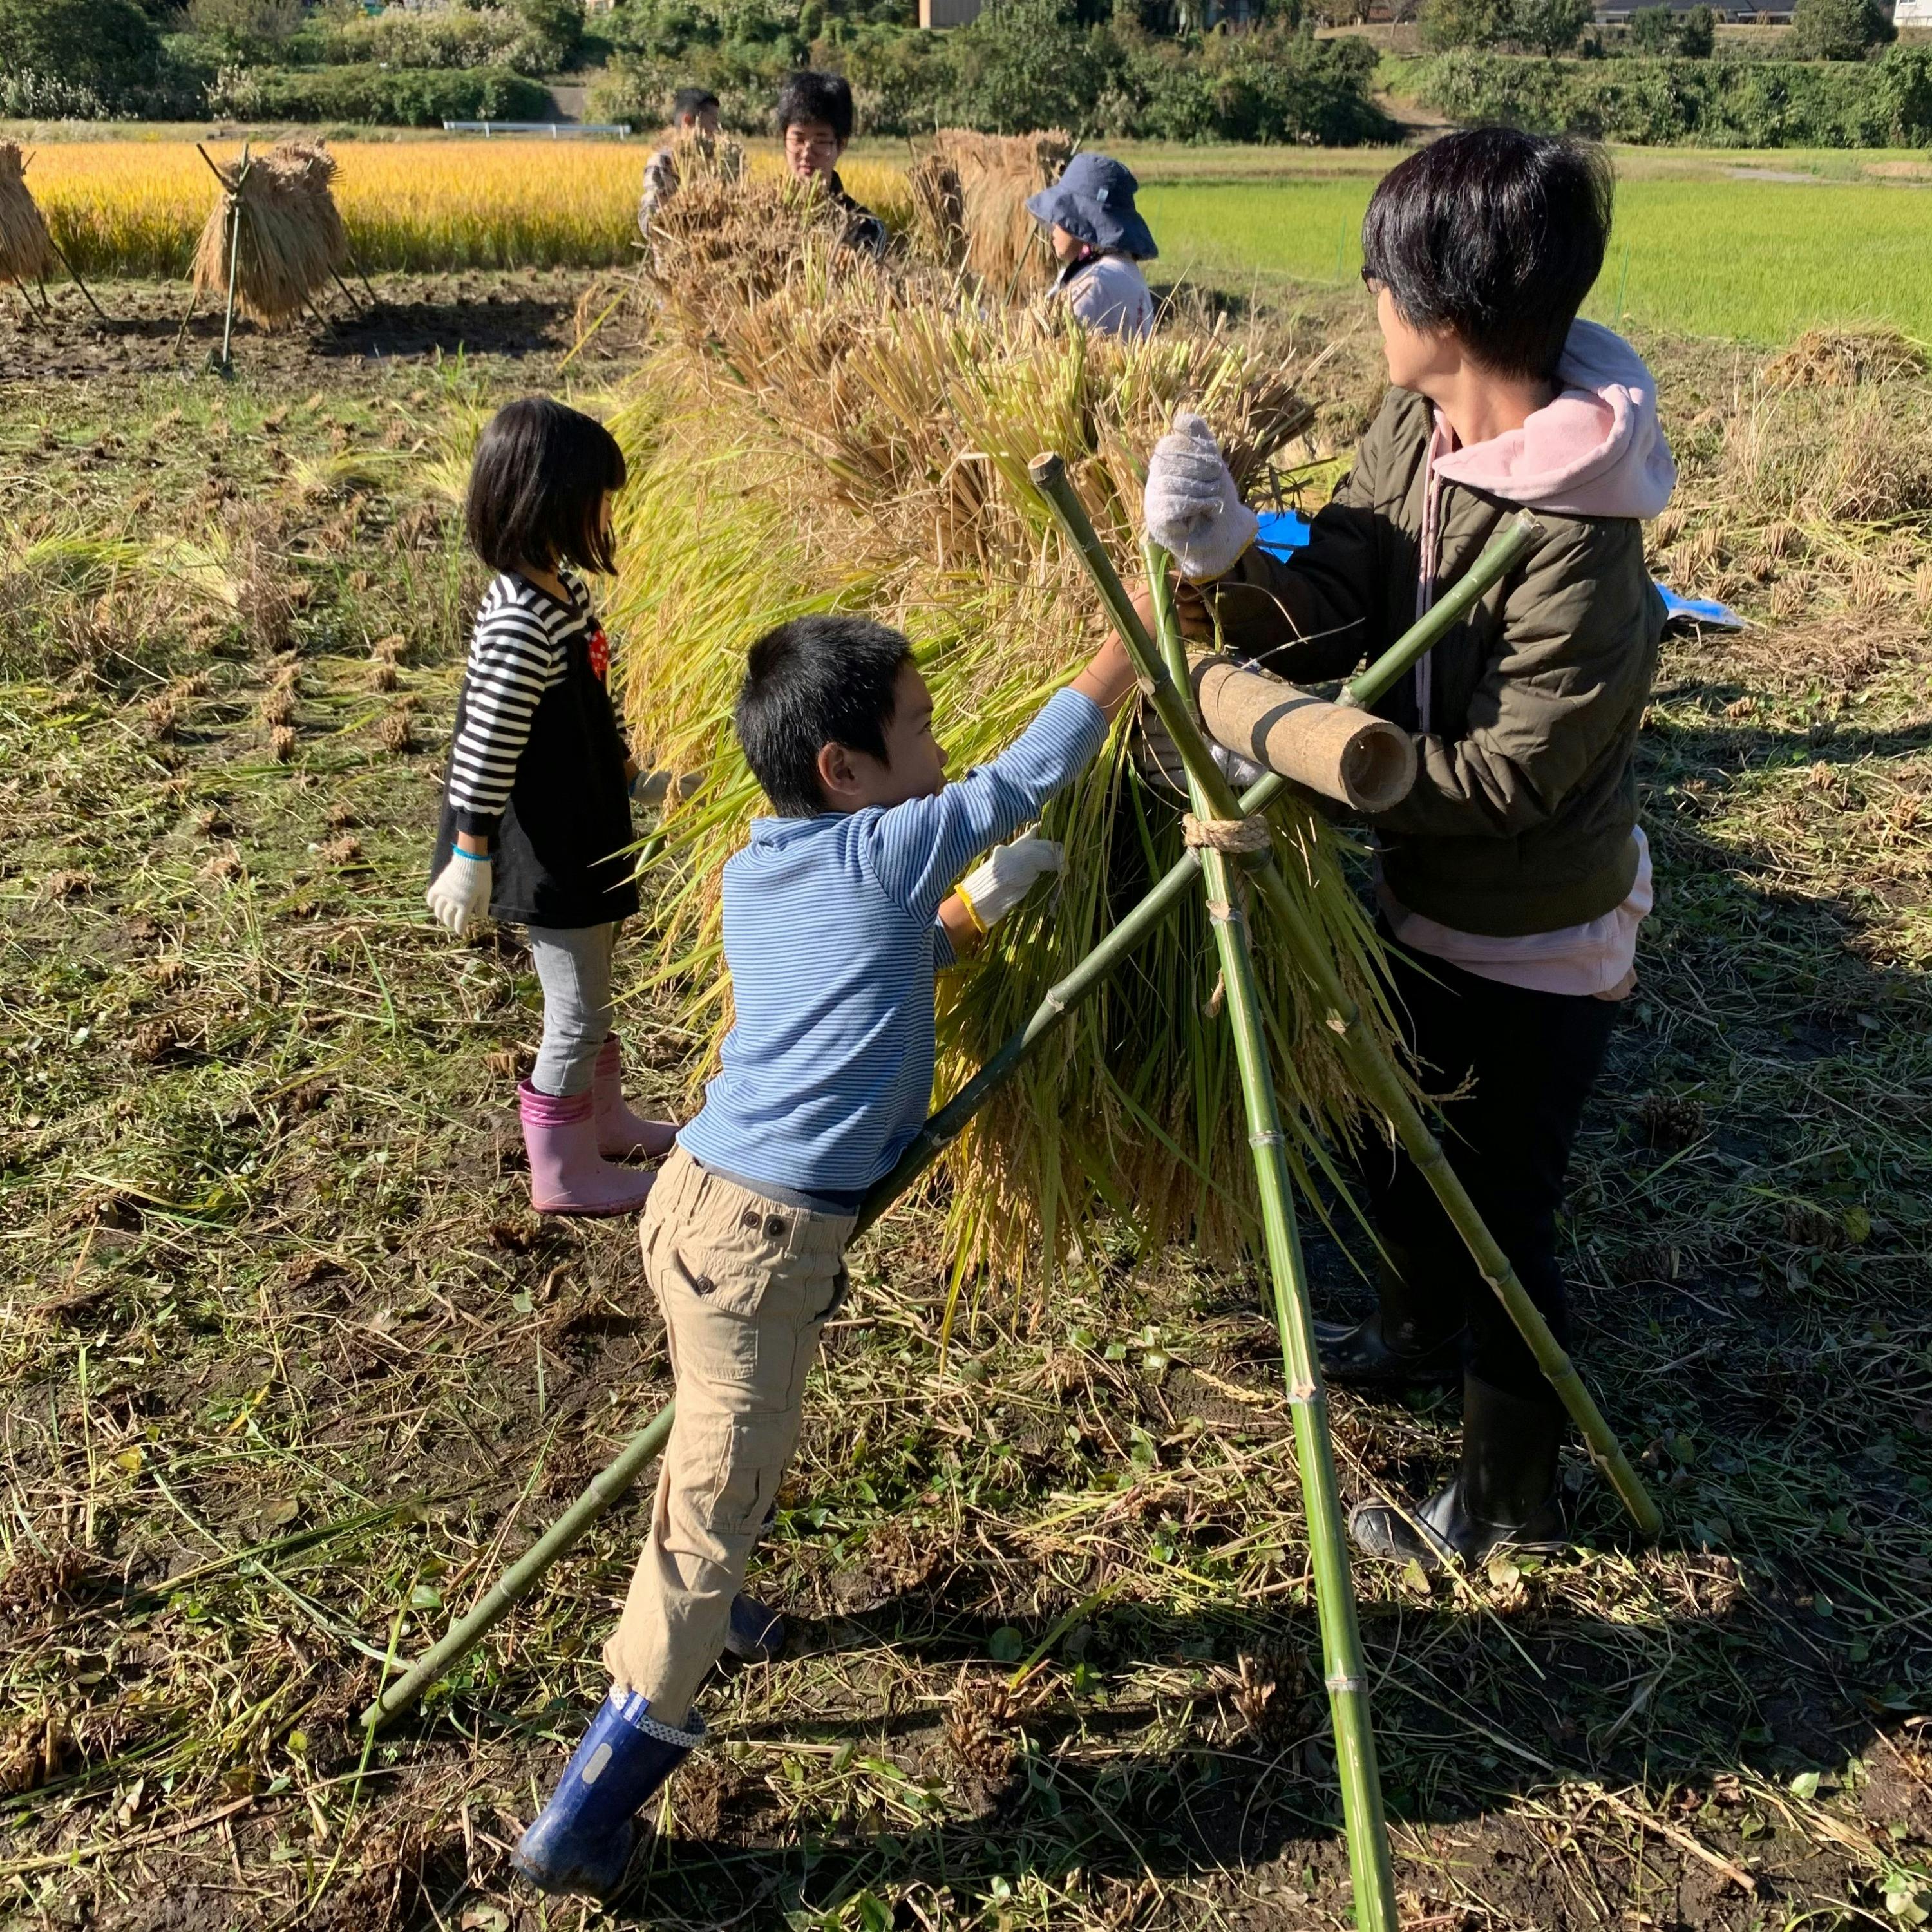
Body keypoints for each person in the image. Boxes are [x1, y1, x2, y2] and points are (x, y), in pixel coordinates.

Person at [510, 614, 1138, 1900]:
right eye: (917, 729)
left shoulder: (769, 865)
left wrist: (965, 920)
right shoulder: (892, 845)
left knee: (709, 1447)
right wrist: (1131, 641)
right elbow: (1021, 778)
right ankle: (588, 1812)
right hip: (759, 1246)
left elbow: (857, 975)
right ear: (846, 768)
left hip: (690, 1205)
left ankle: (716, 1611)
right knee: (708, 1510)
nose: (942, 743)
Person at [1142, 129, 1676, 1571]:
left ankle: (1510, 1496)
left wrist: (1312, 761)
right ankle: (1414, 1321)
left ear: (1438, 309)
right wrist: (1230, 564)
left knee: (1500, 1205)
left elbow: (1511, 781)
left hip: (1536, 925)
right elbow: (1344, 591)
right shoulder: (1418, 434)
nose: (1364, 299)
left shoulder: (1581, 538)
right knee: (1392, 1135)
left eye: (1377, 277)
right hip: (1424, 889)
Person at [424, 399, 676, 1219]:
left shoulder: (561, 594)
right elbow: (485, 746)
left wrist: (637, 776)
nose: (608, 512)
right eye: (599, 496)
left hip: (587, 827)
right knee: (576, 1009)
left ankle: (603, 1120)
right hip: (546, 846)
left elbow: (591, 711)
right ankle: (563, 1170)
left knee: (596, 988)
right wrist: (470, 852)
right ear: (550, 498)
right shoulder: (517, 623)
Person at [1027, 152, 1158, 339]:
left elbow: (1051, 345)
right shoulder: (1124, 269)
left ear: (1082, 222)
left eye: (1061, 218)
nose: (1053, 228)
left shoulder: (1095, 281)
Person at [775, 69, 886, 260]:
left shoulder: (868, 228)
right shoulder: (763, 216)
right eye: (798, 139)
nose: (807, 152)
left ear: (841, 145)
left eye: (820, 141)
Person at [638, 85, 723, 236]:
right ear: (688, 121)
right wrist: (678, 215)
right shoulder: (662, 162)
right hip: (674, 254)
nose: (716, 131)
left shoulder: (712, 166)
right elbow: (648, 220)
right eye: (712, 123)